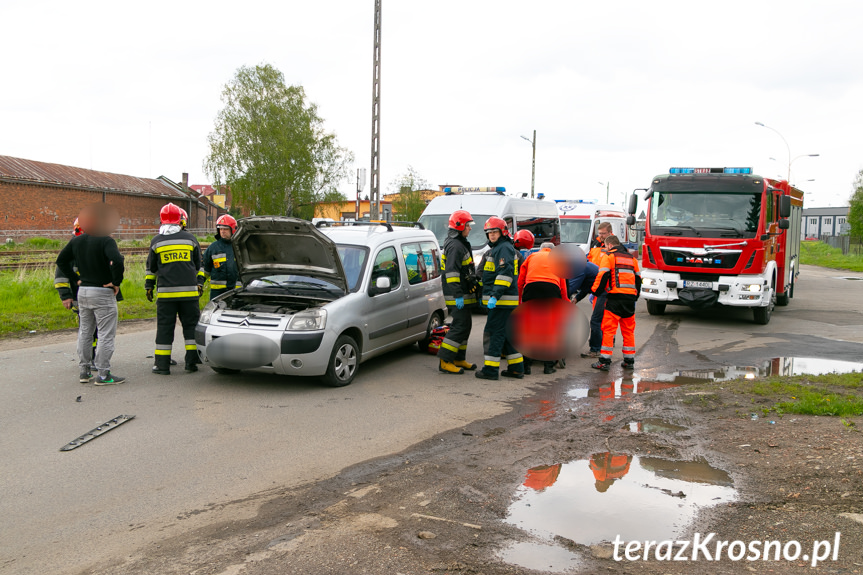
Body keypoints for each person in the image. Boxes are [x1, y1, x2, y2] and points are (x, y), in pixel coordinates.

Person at [56, 207, 125, 385]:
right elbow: (117, 260)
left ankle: (84, 371)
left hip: (83, 292)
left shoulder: (77, 242)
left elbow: (61, 261)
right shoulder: (106, 241)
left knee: (85, 332)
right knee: (105, 335)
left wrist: (76, 279)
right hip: (102, 293)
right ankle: (103, 375)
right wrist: (116, 282)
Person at [145, 202, 206, 375]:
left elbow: (152, 269)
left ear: (162, 220)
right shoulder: (190, 239)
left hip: (166, 295)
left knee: (165, 328)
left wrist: (149, 286)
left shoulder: (156, 241)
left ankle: (162, 365)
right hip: (189, 294)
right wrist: (199, 283)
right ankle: (192, 362)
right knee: (191, 326)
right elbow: (199, 265)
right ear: (181, 220)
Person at [476, 217, 523, 380]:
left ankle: (490, 370)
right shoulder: (501, 248)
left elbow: (505, 274)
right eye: (489, 233)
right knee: (508, 334)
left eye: (495, 232)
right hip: (506, 300)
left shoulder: (503, 248)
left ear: (502, 232)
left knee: (493, 333)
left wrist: (494, 296)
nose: (492, 235)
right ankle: (516, 368)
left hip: (502, 301)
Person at [590, 234, 641, 371]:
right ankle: (629, 360)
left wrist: (595, 291)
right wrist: (635, 296)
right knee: (628, 331)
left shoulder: (609, 257)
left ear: (610, 245)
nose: (605, 248)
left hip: (615, 298)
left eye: (606, 246)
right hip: (630, 299)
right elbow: (638, 280)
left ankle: (604, 361)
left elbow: (603, 275)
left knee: (609, 330)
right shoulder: (632, 259)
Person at [438, 209, 479, 375]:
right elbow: (452, 273)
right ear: (460, 226)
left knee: (465, 325)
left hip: (462, 293)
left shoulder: (459, 243)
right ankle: (445, 360)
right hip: (457, 294)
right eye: (468, 225)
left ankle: (458, 358)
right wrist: (458, 296)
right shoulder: (455, 246)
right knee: (460, 325)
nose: (470, 228)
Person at [517, 242, 569, 375]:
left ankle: (526, 365)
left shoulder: (532, 257)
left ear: (541, 250)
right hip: (551, 289)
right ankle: (548, 366)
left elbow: (521, 279)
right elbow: (563, 285)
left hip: (532, 288)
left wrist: (519, 299)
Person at [54, 218, 98, 363]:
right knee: (88, 329)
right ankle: (88, 358)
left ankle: (92, 356)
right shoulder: (72, 248)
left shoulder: (92, 245)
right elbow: (61, 275)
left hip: (95, 296)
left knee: (95, 329)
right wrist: (65, 296)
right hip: (79, 297)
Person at [582, 221, 613, 359]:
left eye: (603, 234)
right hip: (596, 284)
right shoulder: (595, 244)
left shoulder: (613, 246)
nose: (601, 236)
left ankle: (596, 348)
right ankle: (605, 343)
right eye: (599, 233)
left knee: (598, 319)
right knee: (601, 318)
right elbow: (589, 260)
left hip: (604, 287)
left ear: (610, 233)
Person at [203, 214, 240, 301]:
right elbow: (205, 269)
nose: (222, 231)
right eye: (221, 229)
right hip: (217, 293)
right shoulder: (213, 248)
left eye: (226, 229)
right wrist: (199, 283)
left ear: (233, 230)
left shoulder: (240, 247)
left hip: (237, 291)